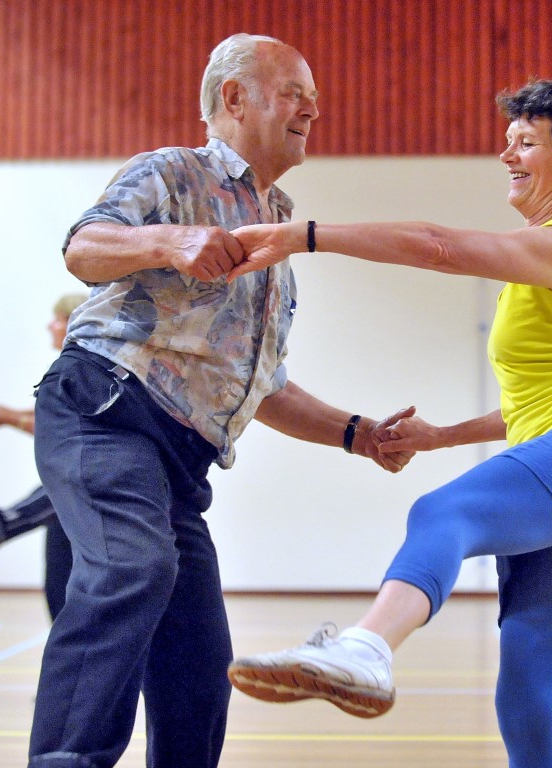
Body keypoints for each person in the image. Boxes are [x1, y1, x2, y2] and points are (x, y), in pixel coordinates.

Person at [225, 76, 552, 768]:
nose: (504, 154)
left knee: (440, 514)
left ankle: (365, 649)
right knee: (525, 709)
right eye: (506, 140)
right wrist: (441, 436)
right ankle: (368, 653)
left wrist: (304, 235)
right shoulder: (545, 264)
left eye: (524, 141)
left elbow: (435, 245)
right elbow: (532, 405)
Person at [27, 33, 414, 768]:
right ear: (233, 98)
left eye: (313, 96)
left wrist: (356, 433)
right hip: (103, 413)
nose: (313, 106)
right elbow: (85, 247)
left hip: (180, 464)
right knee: (132, 571)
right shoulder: (173, 173)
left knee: (200, 671)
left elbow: (261, 386)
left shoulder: (277, 228)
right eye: (293, 90)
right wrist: (171, 242)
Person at [0, 293, 86, 621]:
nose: (50, 325)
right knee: (58, 583)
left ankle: (9, 520)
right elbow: (50, 417)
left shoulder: (85, 366)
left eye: (57, 318)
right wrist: (1, 413)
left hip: (88, 485)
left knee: (66, 491)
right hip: (70, 492)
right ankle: (8, 521)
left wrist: (6, 418)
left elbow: (59, 427)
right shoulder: (72, 366)